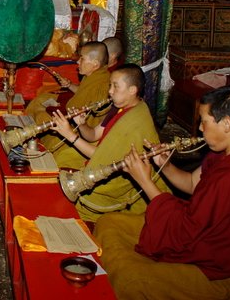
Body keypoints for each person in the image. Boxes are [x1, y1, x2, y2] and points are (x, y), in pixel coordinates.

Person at [95, 86, 230, 299]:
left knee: (132, 279)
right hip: (198, 228)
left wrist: (145, 181)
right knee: (109, 224)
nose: (199, 129)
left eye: (204, 122)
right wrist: (164, 164)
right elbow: (192, 183)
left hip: (228, 263)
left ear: (227, 124)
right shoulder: (228, 151)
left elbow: (186, 232)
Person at [50, 64, 169, 222]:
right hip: (102, 159)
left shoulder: (135, 120)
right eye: (110, 85)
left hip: (119, 179)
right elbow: (93, 135)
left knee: (65, 199)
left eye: (115, 86)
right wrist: (82, 124)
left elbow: (104, 161)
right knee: (61, 158)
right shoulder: (119, 107)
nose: (110, 91)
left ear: (132, 90)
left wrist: (70, 135)